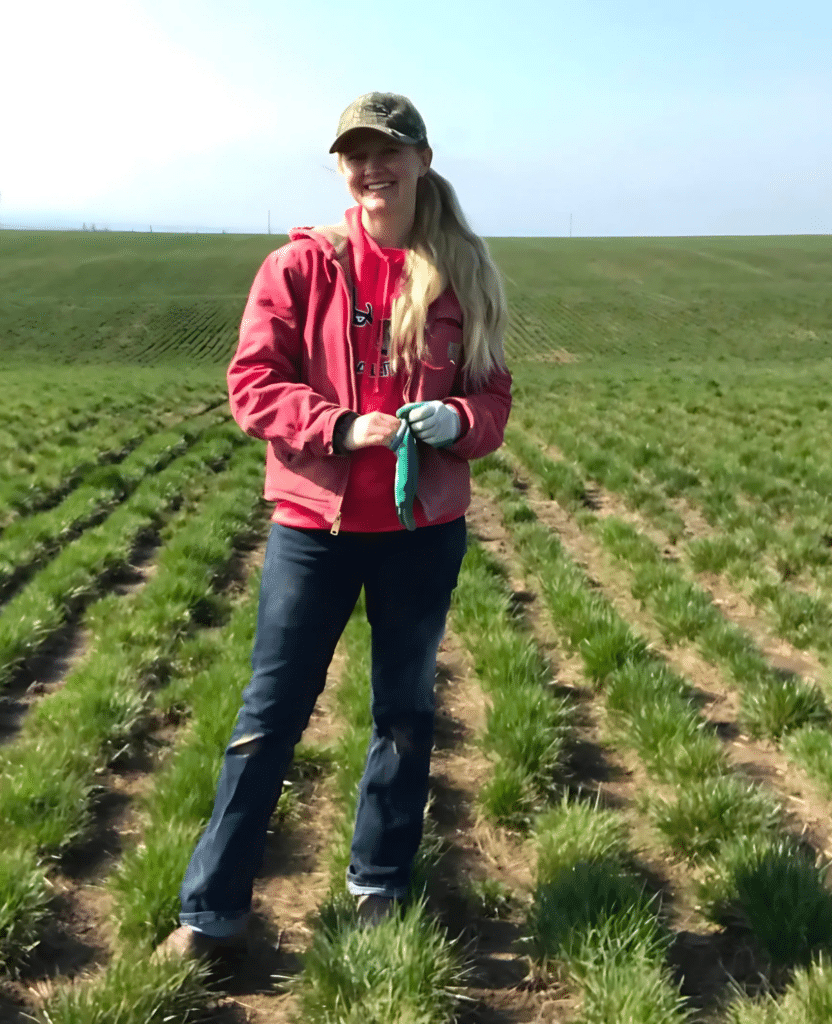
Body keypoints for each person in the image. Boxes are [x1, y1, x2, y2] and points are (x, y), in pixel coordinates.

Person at [161, 91, 512, 961]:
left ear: (422, 160)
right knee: (270, 714)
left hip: (422, 531)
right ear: (341, 168)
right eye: (354, 155)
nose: (369, 168)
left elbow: (494, 399)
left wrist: (460, 424)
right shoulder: (301, 267)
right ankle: (211, 915)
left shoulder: (463, 273)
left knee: (405, 713)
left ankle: (380, 888)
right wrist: (338, 425)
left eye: (386, 151)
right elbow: (251, 385)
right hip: (313, 529)